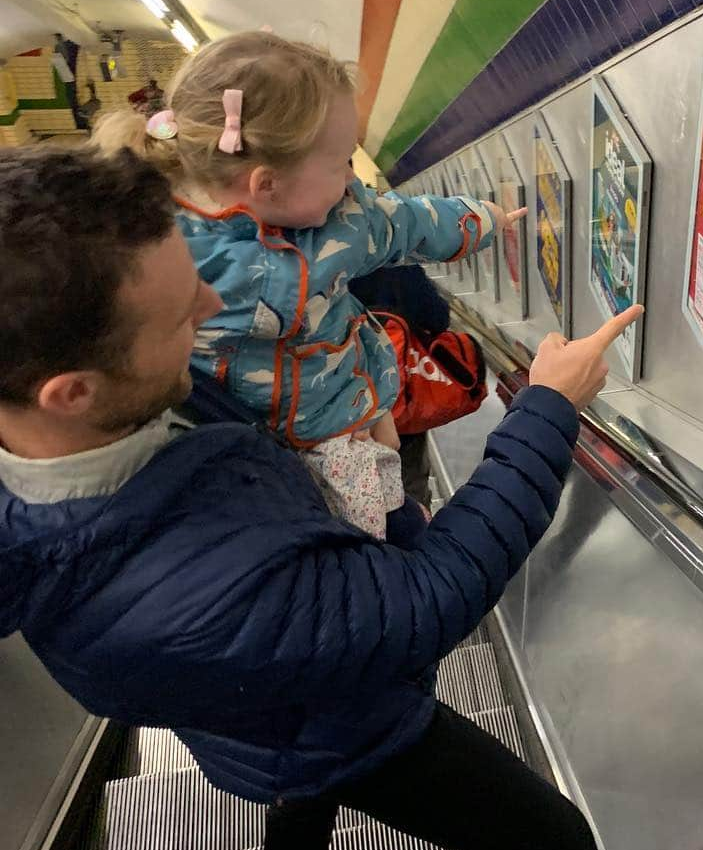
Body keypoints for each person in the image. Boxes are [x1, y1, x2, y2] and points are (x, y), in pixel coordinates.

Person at [0, 145, 642, 850]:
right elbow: (423, 602)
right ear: (71, 391)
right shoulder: (194, 591)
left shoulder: (98, 430)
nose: (214, 308)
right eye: (180, 313)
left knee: (293, 755)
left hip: (268, 710)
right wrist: (545, 410)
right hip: (346, 722)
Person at [94, 31, 515, 540]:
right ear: (266, 183)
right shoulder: (156, 249)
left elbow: (411, 222)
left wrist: (482, 220)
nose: (350, 178)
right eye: (341, 163)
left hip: (326, 420)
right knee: (369, 543)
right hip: (302, 441)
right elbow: (401, 222)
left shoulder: (156, 230)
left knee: (380, 520)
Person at [350, 261, 451, 509]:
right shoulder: (398, 266)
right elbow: (438, 317)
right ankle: (416, 529)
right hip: (401, 397)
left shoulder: (326, 271)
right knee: (411, 478)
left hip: (351, 403)